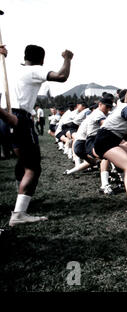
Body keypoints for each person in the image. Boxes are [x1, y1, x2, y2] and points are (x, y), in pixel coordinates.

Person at [5, 44, 73, 226]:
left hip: (6, 115)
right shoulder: (34, 70)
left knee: (23, 162)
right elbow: (61, 76)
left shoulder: (13, 71)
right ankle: (19, 213)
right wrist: (67, 58)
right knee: (33, 167)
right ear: (41, 59)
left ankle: (23, 199)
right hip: (20, 117)